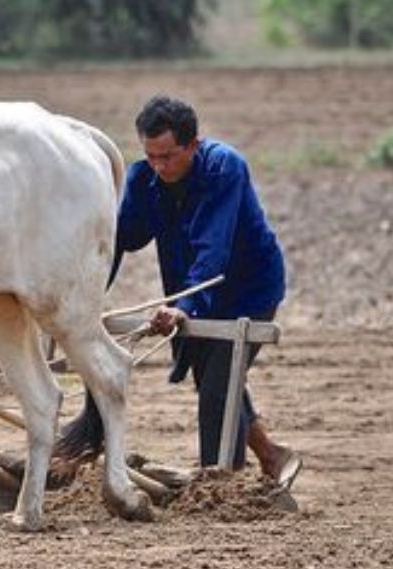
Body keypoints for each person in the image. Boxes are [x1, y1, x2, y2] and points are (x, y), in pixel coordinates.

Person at [54, 95, 302, 488]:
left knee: (217, 387)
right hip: (193, 289)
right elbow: (118, 239)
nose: (159, 166)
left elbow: (212, 248)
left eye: (168, 156)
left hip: (247, 290)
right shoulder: (143, 179)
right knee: (214, 377)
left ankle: (222, 485)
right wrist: (84, 299)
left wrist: (186, 306)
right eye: (151, 155)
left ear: (193, 145)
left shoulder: (224, 169)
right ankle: (271, 454)